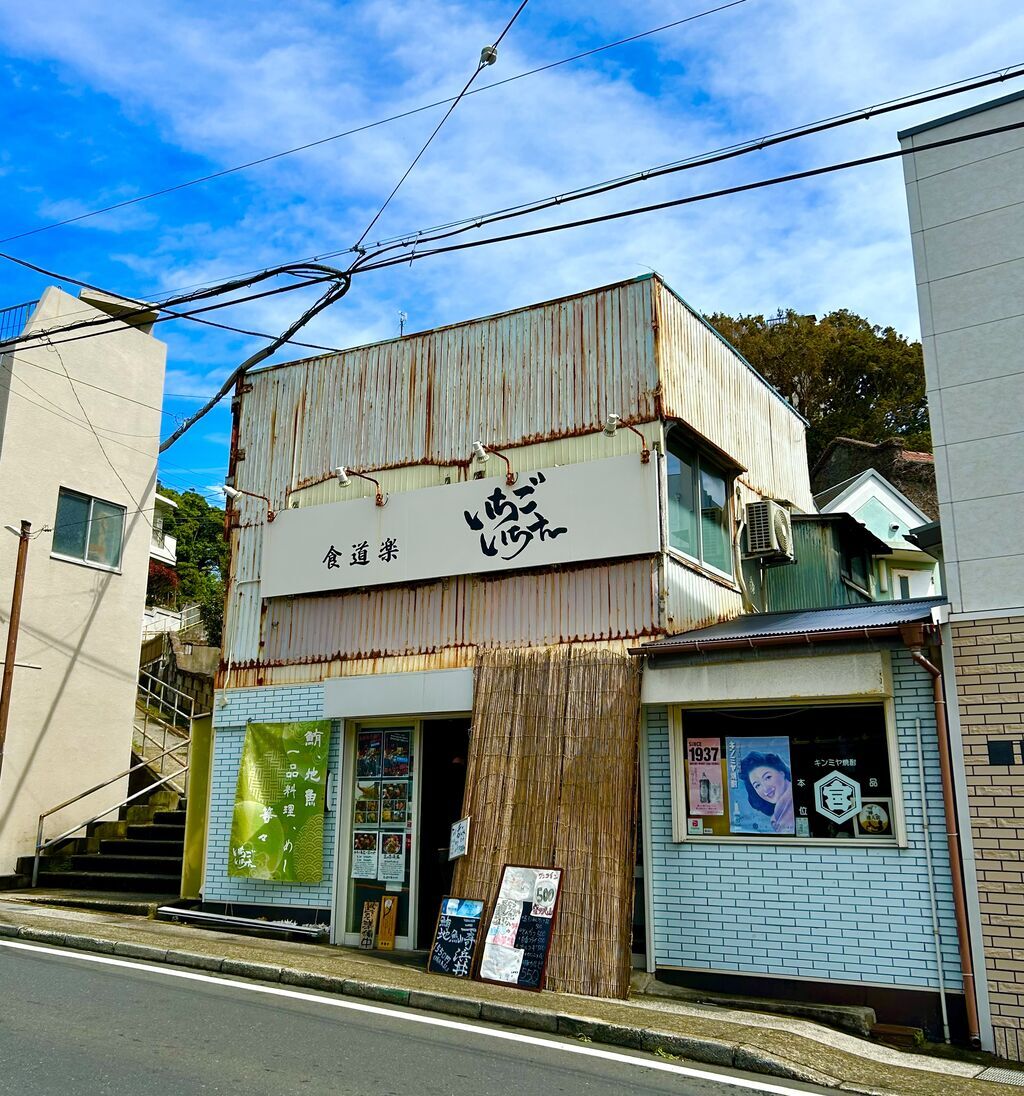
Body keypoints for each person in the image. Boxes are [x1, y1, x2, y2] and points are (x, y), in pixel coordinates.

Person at [738, 751, 795, 834]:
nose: (765, 788)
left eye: (768, 777)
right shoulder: (779, 814)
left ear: (781, 772)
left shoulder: (792, 805)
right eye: (757, 785)